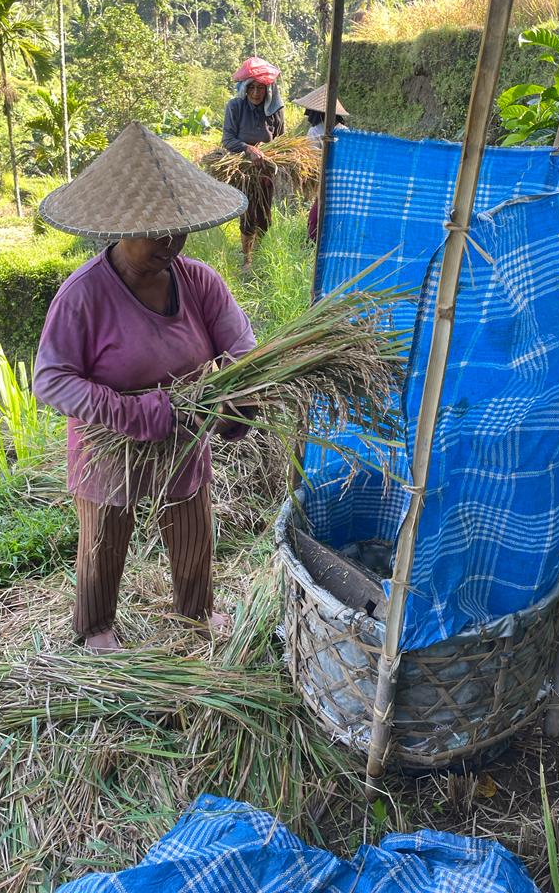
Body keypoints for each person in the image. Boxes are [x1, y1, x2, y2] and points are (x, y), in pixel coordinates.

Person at [33, 121, 255, 653]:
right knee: (104, 534)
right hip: (109, 443)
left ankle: (196, 612)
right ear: (119, 227)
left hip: (182, 433)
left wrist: (236, 398)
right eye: (154, 233)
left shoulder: (199, 281)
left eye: (178, 229)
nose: (170, 243)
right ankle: (95, 626)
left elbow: (244, 350)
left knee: (192, 526)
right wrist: (131, 413)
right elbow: (50, 380)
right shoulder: (83, 295)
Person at [222, 57, 285, 271]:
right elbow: (228, 140)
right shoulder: (235, 107)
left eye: (261, 88)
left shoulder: (274, 110)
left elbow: (281, 140)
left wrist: (272, 154)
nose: (257, 93)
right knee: (248, 214)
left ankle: (259, 253)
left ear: (268, 90)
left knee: (265, 215)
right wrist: (249, 149)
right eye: (252, 88)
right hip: (245, 170)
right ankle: (247, 258)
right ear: (245, 88)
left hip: (266, 169)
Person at [292, 84, 349, 243]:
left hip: (332, 180)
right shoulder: (324, 131)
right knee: (324, 213)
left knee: (326, 214)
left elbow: (315, 161)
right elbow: (313, 159)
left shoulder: (333, 131)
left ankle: (319, 243)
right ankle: (316, 243)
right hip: (331, 180)